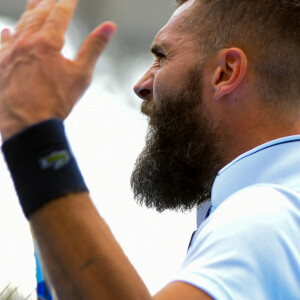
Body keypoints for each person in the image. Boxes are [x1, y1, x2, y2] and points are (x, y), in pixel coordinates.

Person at [0, 0, 299, 298]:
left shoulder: (265, 216)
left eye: (161, 57)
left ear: (225, 72)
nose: (142, 84)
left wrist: (33, 132)